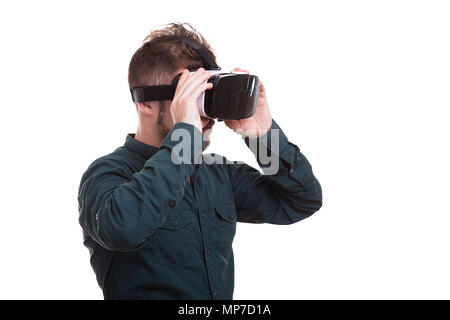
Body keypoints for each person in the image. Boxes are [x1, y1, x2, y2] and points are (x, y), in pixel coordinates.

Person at [78, 22, 322, 300]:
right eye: (191, 96)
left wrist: (263, 136)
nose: (206, 115)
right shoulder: (107, 174)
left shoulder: (218, 173)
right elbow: (123, 229)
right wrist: (186, 135)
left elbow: (301, 201)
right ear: (145, 103)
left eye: (207, 95)